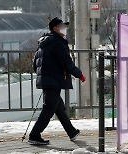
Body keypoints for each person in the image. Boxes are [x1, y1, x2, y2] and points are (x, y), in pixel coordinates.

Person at [28, 17, 86, 145]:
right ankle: (34, 135)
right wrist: (79, 74)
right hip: (53, 79)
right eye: (62, 26)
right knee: (49, 108)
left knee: (59, 107)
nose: (65, 28)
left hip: (47, 79)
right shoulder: (57, 42)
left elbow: (35, 65)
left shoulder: (44, 42)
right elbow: (66, 62)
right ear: (55, 28)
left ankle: (72, 132)